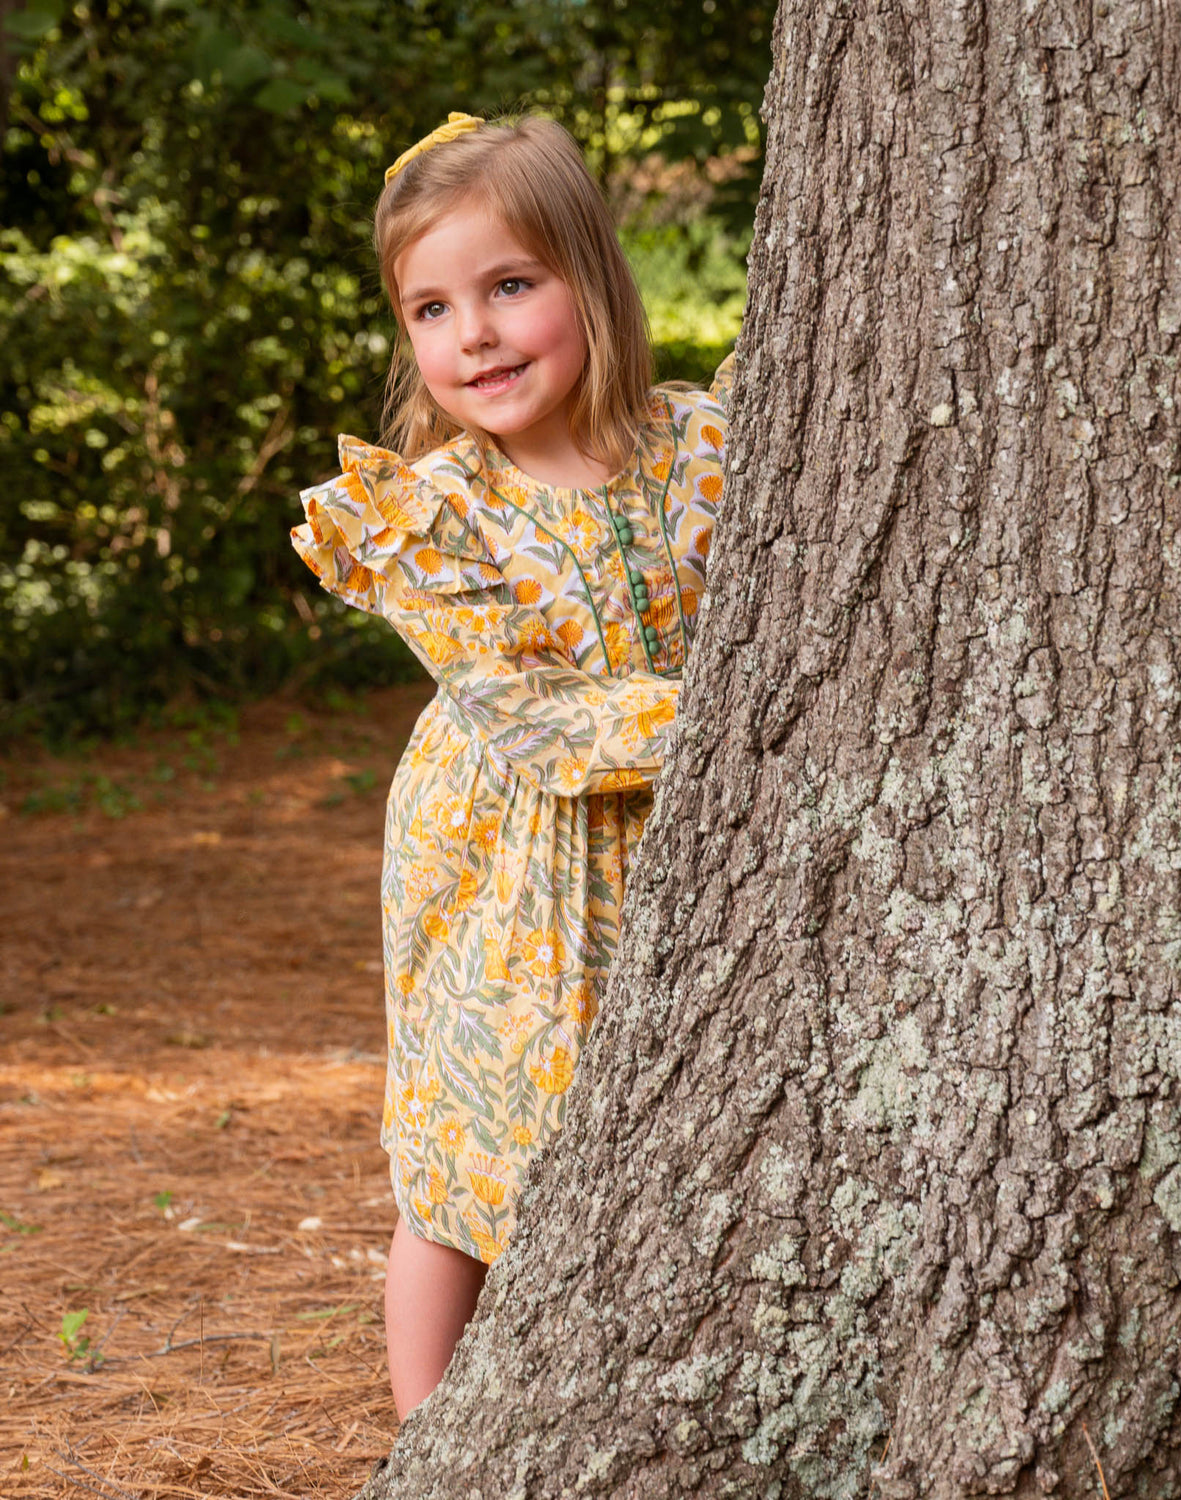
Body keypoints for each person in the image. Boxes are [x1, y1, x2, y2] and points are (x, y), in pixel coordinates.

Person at [291, 111, 734, 1421]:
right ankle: (431, 1430)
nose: (471, 334)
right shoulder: (438, 514)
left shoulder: (698, 451)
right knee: (470, 1144)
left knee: (659, 1124)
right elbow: (531, 719)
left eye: (510, 286)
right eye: (432, 308)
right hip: (504, 865)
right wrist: (732, 719)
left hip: (682, 849)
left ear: (592, 279)